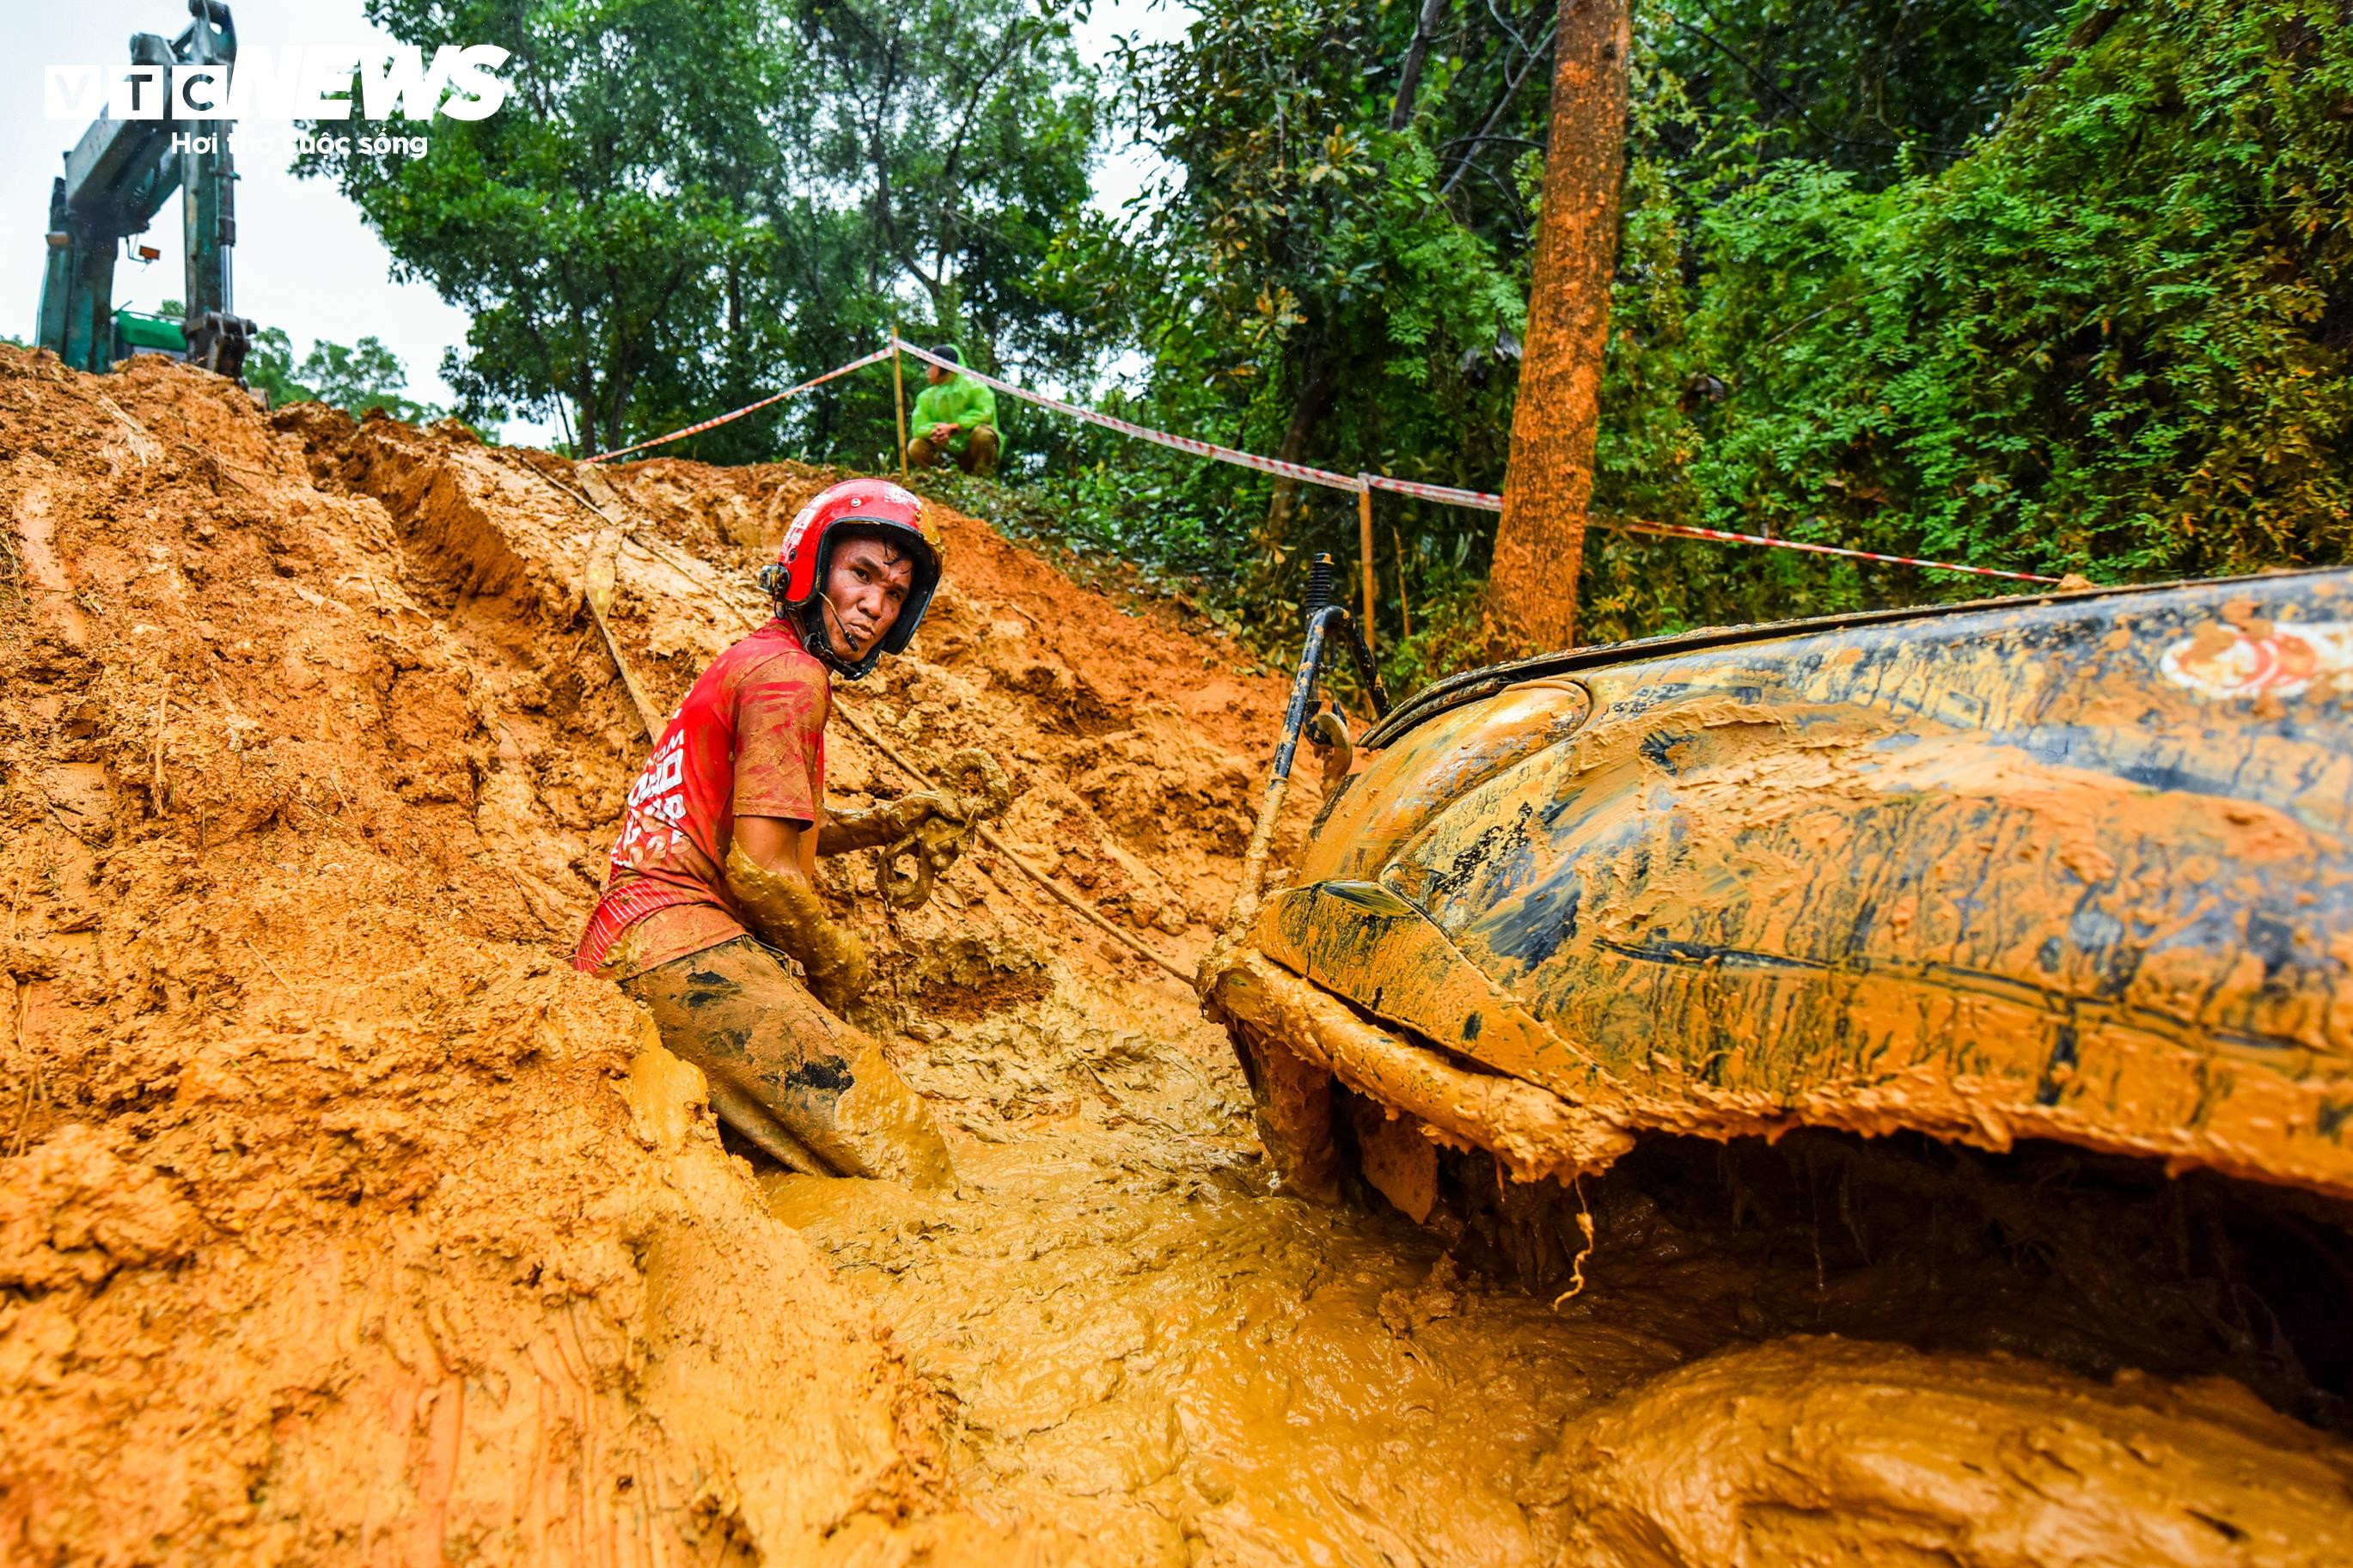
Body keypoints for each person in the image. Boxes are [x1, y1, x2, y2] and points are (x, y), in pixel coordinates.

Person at [575, 478, 965, 1188]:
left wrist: (886, 820)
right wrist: (839, 960)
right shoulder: (792, 679)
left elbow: (759, 825)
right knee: (906, 1151)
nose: (875, 605)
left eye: (895, 593)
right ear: (812, 568)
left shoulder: (763, 660)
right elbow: (760, 870)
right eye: (861, 574)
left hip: (641, 942)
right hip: (677, 946)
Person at [905, 345, 1000, 478]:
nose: (927, 371)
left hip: (972, 452)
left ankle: (982, 479)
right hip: (946, 452)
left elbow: (986, 413)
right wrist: (938, 432)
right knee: (915, 446)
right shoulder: (925, 397)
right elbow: (918, 427)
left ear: (945, 367)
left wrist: (954, 428)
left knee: (984, 435)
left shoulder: (974, 386)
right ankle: (945, 480)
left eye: (931, 366)